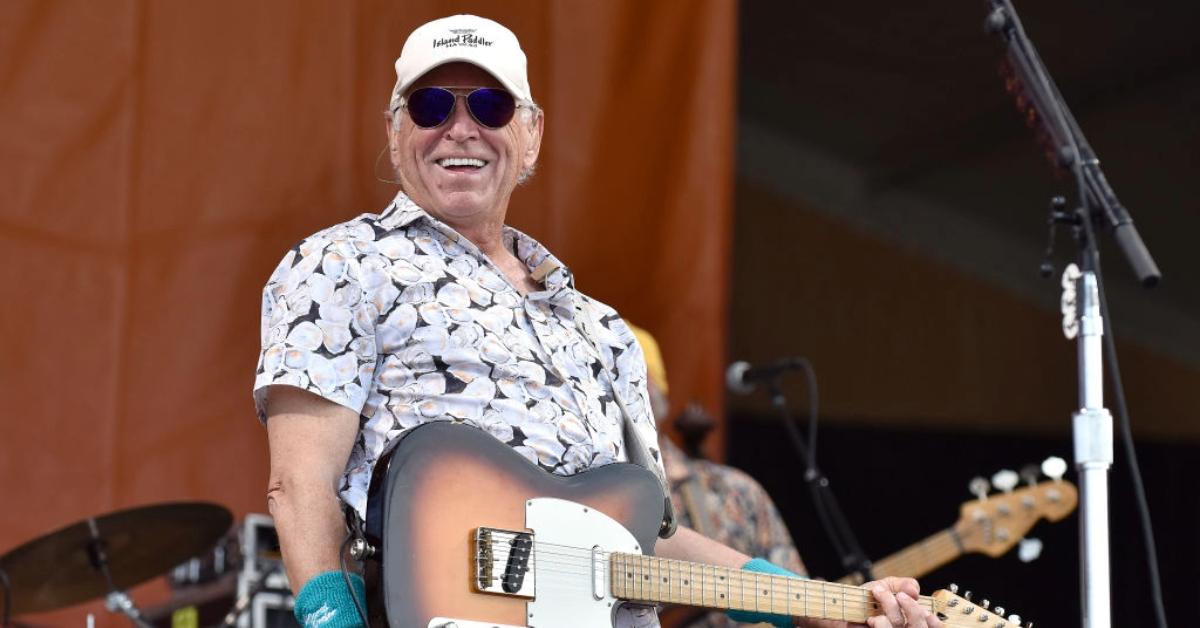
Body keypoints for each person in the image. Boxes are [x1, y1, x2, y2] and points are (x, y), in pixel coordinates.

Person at [253, 14, 940, 628]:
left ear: (532, 133)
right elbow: (299, 484)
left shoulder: (601, 328)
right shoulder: (341, 263)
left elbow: (642, 532)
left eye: (490, 105)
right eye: (432, 104)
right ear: (395, 131)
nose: (460, 128)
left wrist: (812, 602)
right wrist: (329, 620)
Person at [629, 325, 806, 628]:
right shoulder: (586, 502)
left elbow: (800, 601)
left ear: (655, 392)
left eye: (631, 376)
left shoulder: (737, 491)